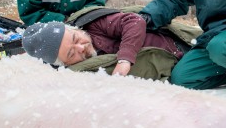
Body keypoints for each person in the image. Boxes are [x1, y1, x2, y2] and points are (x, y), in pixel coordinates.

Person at [22, 9, 194, 78]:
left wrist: (125, 59)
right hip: (172, 68)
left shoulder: (94, 24)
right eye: (71, 54)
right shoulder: (78, 74)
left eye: (75, 39)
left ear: (74, 28)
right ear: (64, 64)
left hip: (180, 43)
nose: (81, 47)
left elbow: (134, 21)